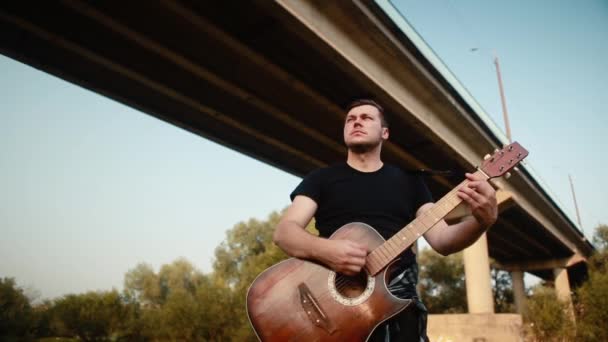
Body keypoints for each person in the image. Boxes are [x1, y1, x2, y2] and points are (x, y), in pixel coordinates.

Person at [273, 99, 498, 341]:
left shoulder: (411, 182)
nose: (356, 121)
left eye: (366, 117)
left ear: (385, 132)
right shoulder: (320, 179)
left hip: (398, 305)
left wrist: (482, 221)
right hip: (333, 307)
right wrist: (328, 250)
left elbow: (443, 241)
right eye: (351, 119)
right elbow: (284, 233)